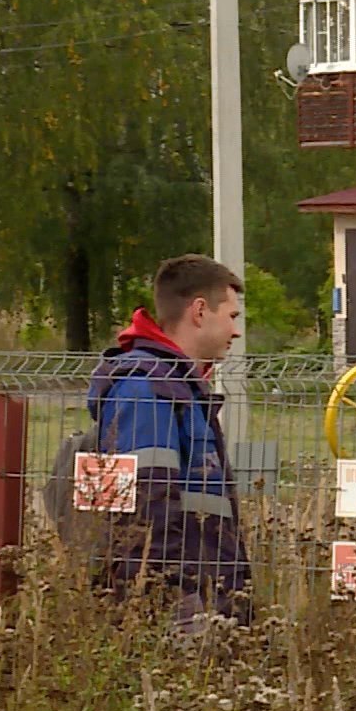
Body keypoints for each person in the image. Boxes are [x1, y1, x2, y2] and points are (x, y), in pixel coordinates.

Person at [86, 254, 251, 631]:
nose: (236, 331)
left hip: (204, 591)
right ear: (199, 311)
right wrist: (170, 601)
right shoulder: (147, 390)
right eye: (232, 316)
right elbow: (147, 505)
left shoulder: (178, 387)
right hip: (179, 603)